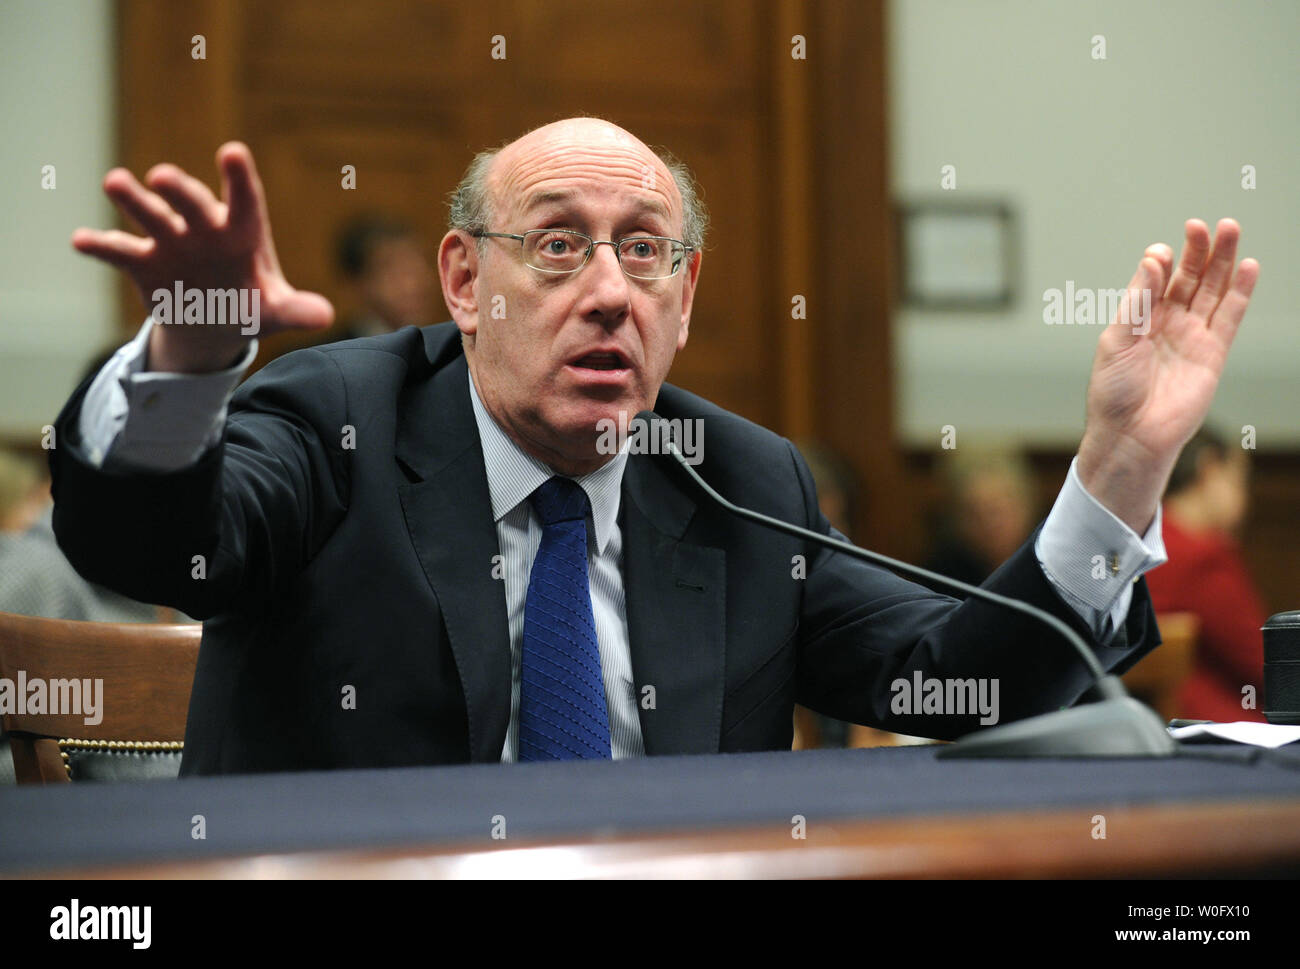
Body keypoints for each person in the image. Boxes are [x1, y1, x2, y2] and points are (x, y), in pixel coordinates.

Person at [52, 118, 1258, 775]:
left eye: (645, 251)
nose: (611, 291)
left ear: (685, 300)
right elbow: (156, 547)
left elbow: (965, 682)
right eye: (559, 245)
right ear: (465, 281)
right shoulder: (340, 417)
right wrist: (193, 361)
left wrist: (1121, 463)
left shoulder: (738, 481)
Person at [1145, 428, 1267, 723]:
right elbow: (1266, 663)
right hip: (1219, 733)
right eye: (1239, 480)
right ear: (1209, 469)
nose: (1245, 499)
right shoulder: (1202, 556)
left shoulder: (1138, 539)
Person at [326, 215, 437, 342]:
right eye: (394, 269)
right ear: (358, 282)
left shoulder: (451, 351)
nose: (413, 285)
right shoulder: (323, 357)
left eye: (418, 265)